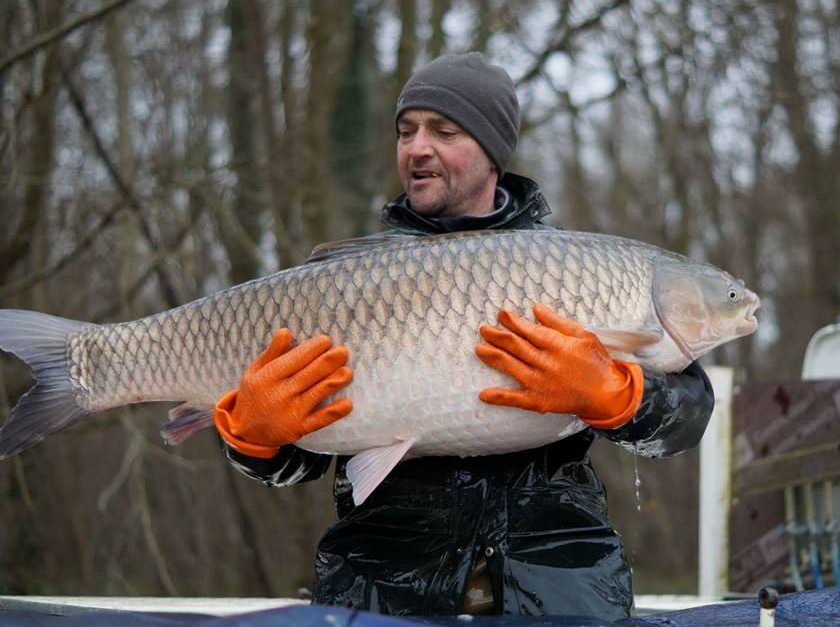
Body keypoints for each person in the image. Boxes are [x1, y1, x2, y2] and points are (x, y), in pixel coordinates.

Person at [214, 53, 714, 619]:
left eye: (444, 130)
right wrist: (253, 439)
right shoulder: (342, 281)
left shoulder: (580, 269)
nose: (416, 147)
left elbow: (685, 420)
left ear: (492, 152)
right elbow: (296, 464)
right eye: (406, 131)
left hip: (560, 578)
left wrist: (615, 395)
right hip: (380, 581)